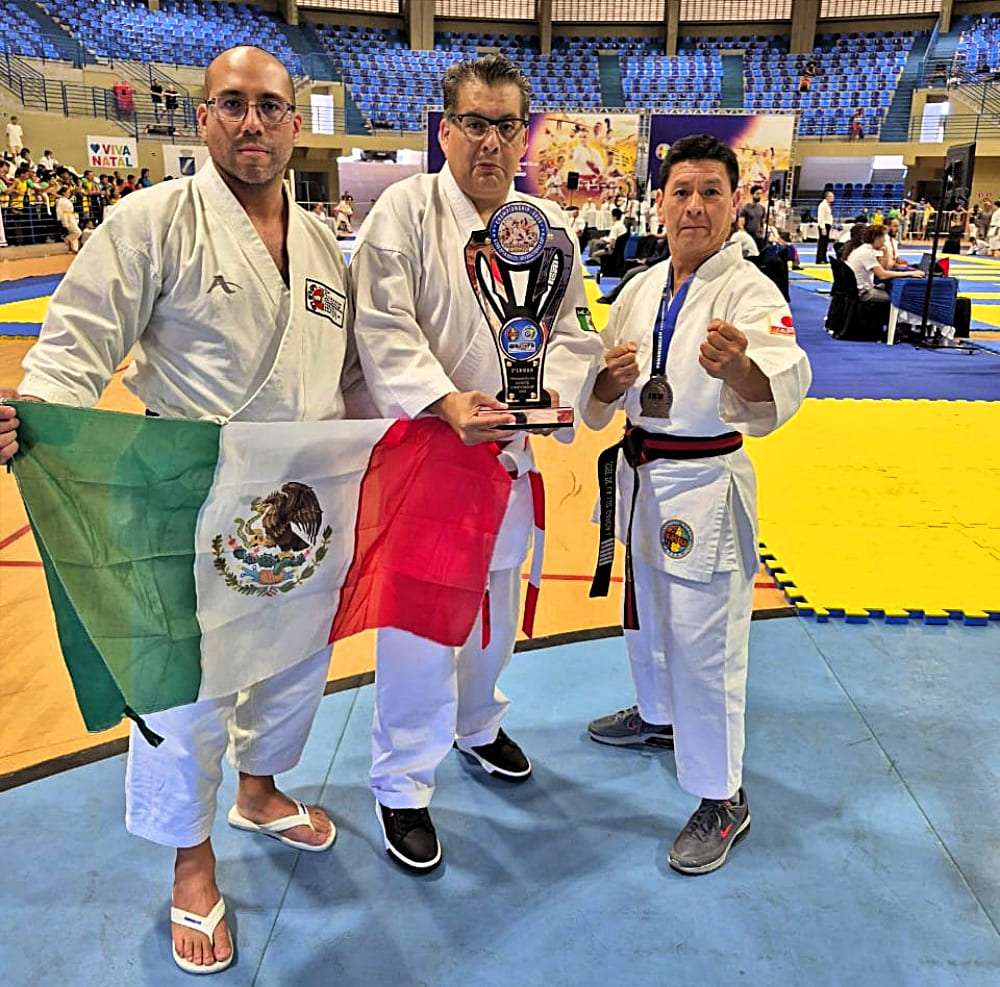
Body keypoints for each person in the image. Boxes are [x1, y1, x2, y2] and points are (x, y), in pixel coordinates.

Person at [0, 46, 369, 975]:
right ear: (203, 118)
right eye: (231, 104)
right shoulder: (150, 221)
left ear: (295, 123)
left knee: (292, 665)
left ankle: (260, 790)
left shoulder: (323, 244)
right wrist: (36, 419)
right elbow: (74, 346)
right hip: (188, 496)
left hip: (303, 500)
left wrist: (413, 432)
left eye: (270, 106)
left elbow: (349, 376)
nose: (252, 122)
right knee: (185, 689)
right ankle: (191, 859)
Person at [350, 53, 601, 873]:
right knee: (421, 628)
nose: (490, 142)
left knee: (495, 608)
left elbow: (574, 329)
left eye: (506, 126)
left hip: (509, 455)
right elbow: (382, 325)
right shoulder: (405, 211)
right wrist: (443, 398)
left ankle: (478, 724)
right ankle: (402, 781)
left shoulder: (544, 224)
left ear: (523, 136)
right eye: (474, 124)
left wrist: (556, 391)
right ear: (446, 130)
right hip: (429, 451)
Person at [582, 133, 811, 875]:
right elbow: (598, 383)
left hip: (705, 482)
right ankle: (658, 716)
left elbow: (781, 380)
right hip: (643, 472)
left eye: (711, 191)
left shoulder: (751, 291)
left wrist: (740, 368)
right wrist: (607, 382)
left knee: (706, 646)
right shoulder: (641, 287)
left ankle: (722, 794)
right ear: (659, 202)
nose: (694, 206)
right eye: (681, 191)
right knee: (645, 612)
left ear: (735, 203)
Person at [846, 224, 925, 303]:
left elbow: (884, 268)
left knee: (889, 289)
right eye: (884, 237)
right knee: (898, 298)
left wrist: (886, 252)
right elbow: (882, 275)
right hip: (864, 293)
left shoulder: (864, 249)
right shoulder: (866, 253)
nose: (884, 241)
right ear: (877, 238)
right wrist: (911, 273)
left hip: (860, 289)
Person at [54, 182, 81, 253]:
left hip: (71, 216)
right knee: (77, 232)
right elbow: (58, 210)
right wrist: (60, 219)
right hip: (67, 218)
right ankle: (67, 239)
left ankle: (73, 249)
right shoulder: (60, 200)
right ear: (63, 193)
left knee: (73, 232)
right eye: (68, 192)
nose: (69, 193)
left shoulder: (66, 199)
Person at [816, 189, 834, 263]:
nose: (832, 198)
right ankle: (820, 259)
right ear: (826, 197)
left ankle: (823, 258)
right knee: (822, 243)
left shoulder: (827, 205)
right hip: (824, 225)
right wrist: (823, 228)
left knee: (825, 243)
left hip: (827, 225)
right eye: (831, 196)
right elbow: (820, 217)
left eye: (832, 196)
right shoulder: (823, 205)